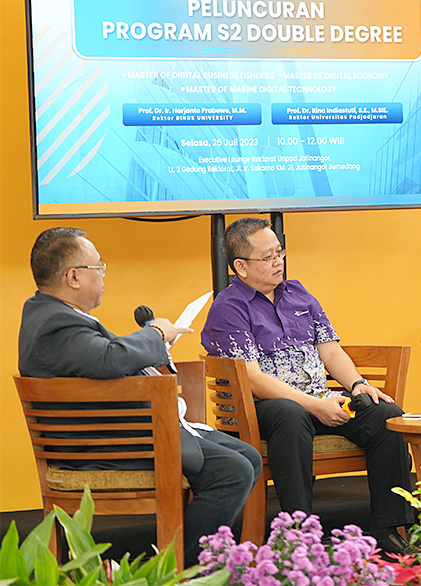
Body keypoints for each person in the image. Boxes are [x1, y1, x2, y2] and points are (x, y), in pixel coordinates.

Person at [18, 228, 262, 567]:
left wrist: (152, 348)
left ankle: (186, 562)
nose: (104, 275)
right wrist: (156, 334)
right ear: (73, 277)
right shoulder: (55, 323)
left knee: (248, 457)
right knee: (232, 471)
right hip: (103, 445)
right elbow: (110, 358)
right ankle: (175, 569)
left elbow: (104, 358)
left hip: (116, 432)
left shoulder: (49, 314)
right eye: (98, 267)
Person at [201, 218, 414, 555]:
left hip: (318, 400)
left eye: (279, 253)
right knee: (289, 413)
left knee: (385, 415)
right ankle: (301, 535)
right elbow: (253, 379)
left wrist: (358, 384)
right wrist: (314, 406)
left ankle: (389, 529)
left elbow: (330, 349)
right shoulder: (228, 308)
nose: (278, 261)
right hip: (261, 409)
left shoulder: (297, 293)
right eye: (267, 257)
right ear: (240, 266)